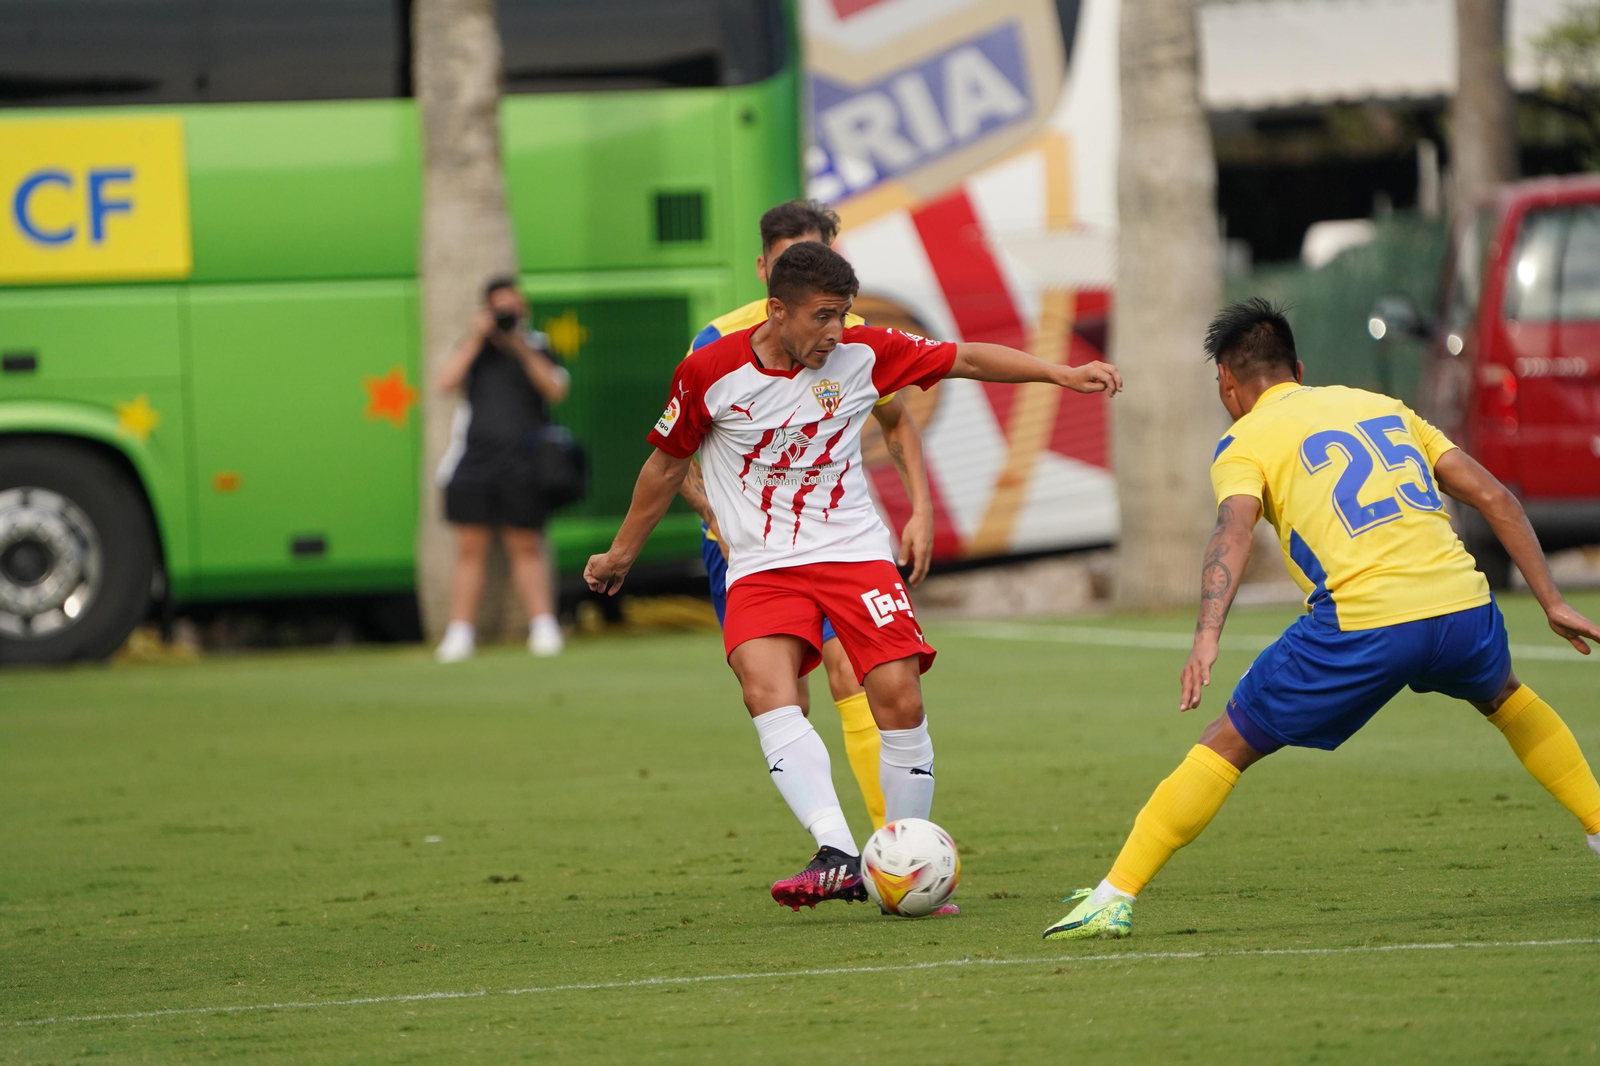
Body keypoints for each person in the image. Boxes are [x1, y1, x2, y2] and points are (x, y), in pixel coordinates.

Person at [1044, 298, 1600, 941]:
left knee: (1227, 741)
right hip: (1463, 607)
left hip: (1365, 623)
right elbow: (1494, 496)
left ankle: (1113, 895)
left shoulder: (1244, 440)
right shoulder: (1383, 407)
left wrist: (1205, 636)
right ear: (1298, 370)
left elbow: (1232, 533)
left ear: (1226, 380)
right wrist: (1552, 600)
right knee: (1505, 697)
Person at [585, 242, 1120, 910]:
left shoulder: (865, 353)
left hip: (852, 554)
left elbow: (967, 358)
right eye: (822, 316)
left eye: (842, 314)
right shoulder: (708, 371)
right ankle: (837, 851)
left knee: (899, 697)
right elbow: (665, 467)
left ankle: (905, 859)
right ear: (777, 311)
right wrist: (621, 555)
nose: (836, 331)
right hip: (763, 565)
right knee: (766, 690)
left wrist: (1061, 375)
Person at [682, 199, 935, 834]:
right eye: (788, 257)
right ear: (764, 270)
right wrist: (718, 517)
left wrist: (920, 510)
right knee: (782, 697)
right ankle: (834, 842)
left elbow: (896, 420)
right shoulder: (716, 342)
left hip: (835, 545)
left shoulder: (847, 334)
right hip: (748, 553)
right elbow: (675, 453)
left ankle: (891, 848)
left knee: (857, 674)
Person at [434, 276, 571, 663]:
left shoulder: (537, 345)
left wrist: (519, 346)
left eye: (514, 307)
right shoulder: (473, 347)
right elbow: (445, 382)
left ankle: (543, 626)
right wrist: (478, 338)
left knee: (525, 545)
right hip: (474, 464)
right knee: (469, 549)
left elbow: (556, 389)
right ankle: (460, 632)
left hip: (523, 463)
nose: (508, 314)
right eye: (500, 309)